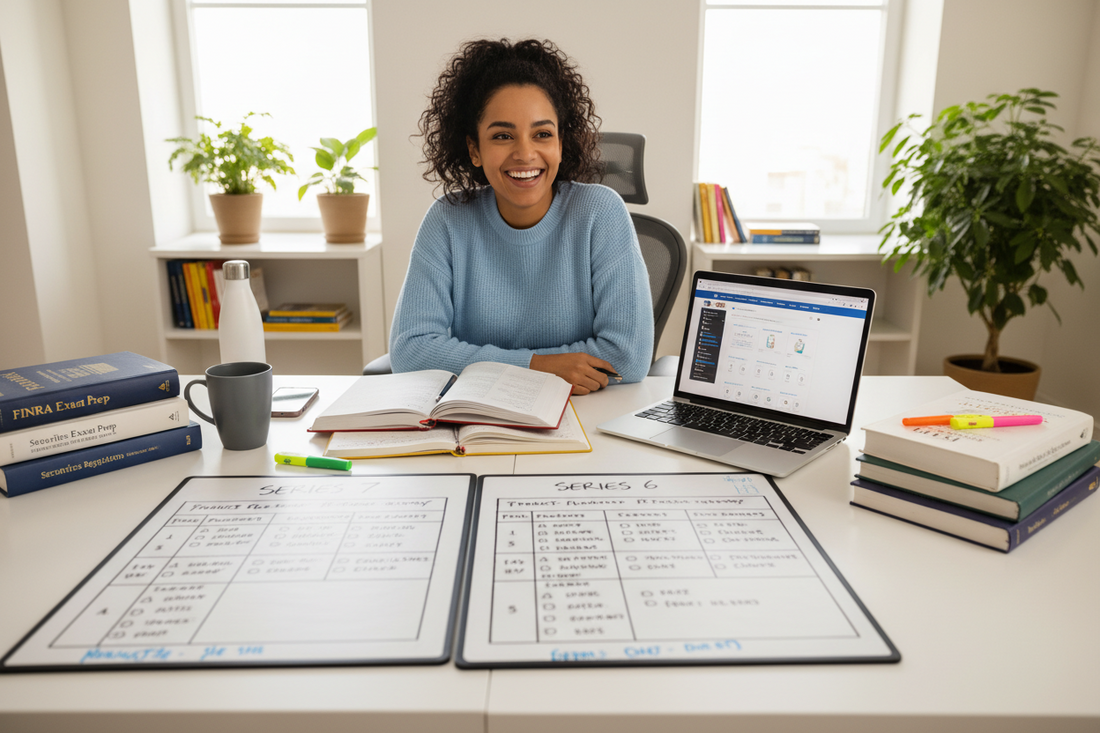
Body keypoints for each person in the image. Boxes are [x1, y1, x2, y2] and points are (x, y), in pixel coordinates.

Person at [388, 38, 654, 395]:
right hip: (480, 418)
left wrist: (482, 366)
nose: (525, 154)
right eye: (502, 136)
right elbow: (410, 350)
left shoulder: (600, 213)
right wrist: (538, 367)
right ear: (474, 149)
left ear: (561, 143)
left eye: (542, 134)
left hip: (585, 416)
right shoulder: (447, 221)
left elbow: (628, 357)